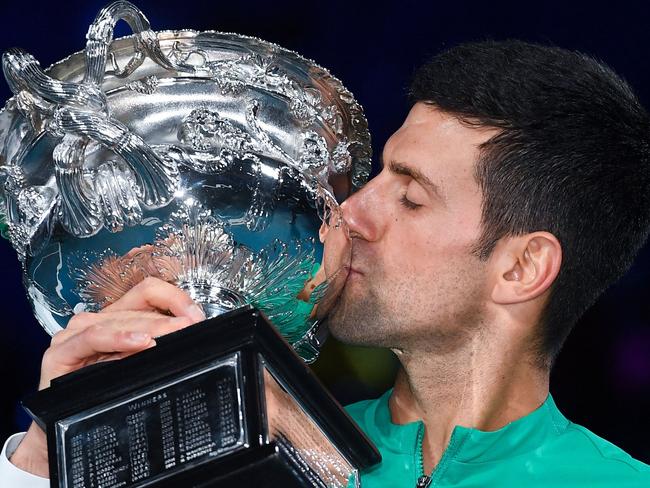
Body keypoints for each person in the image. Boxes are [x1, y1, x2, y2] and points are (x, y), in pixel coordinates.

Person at [2, 39, 650, 486]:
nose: (351, 215)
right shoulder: (226, 430)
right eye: (369, 181)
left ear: (520, 268)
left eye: (411, 197)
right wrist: (44, 460)